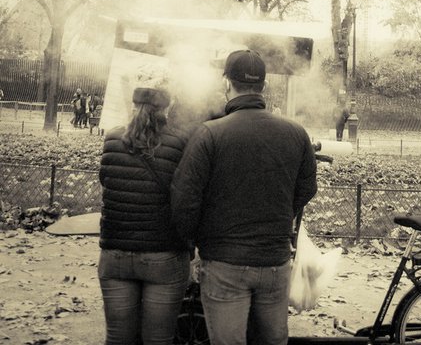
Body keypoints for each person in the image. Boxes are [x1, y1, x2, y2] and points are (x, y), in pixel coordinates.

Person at [171, 49, 318, 345]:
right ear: (263, 85)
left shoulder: (209, 134)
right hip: (275, 263)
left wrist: (194, 245)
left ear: (227, 83)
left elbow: (184, 199)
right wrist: (279, 214)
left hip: (224, 264)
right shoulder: (296, 133)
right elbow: (306, 188)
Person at [98, 86, 193, 345]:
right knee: (158, 340)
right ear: (167, 109)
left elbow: (107, 182)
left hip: (115, 253)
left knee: (117, 338)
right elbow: (185, 197)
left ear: (132, 106)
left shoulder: (112, 139)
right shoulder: (179, 142)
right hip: (163, 256)